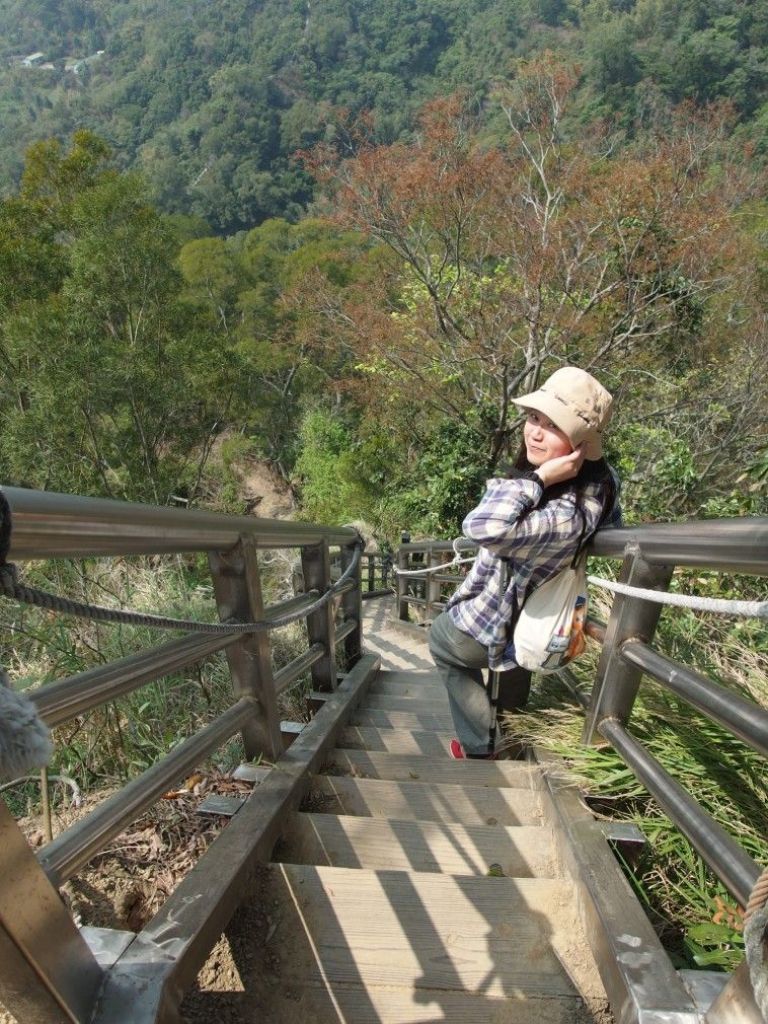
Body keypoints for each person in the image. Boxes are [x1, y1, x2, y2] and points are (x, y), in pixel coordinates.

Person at [428, 366, 621, 759]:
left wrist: (540, 478)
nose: (533, 431)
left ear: (581, 442)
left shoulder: (567, 511)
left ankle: (480, 747)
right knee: (512, 663)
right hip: (524, 618)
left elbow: (482, 525)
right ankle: (510, 733)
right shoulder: (598, 487)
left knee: (441, 644)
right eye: (533, 418)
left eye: (551, 425)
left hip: (494, 622)